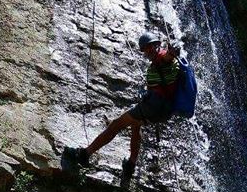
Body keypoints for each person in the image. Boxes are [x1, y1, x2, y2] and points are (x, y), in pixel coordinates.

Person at [67, 31, 180, 178]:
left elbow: (167, 58)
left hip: (153, 106)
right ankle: (130, 165)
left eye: (149, 48)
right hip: (165, 110)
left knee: (116, 124)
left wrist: (171, 53)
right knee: (135, 124)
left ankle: (85, 154)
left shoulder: (162, 57)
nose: (147, 52)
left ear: (156, 45)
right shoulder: (160, 62)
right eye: (145, 50)